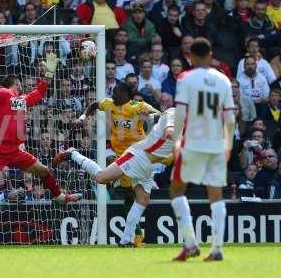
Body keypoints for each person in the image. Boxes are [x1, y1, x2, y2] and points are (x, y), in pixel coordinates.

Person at [0, 53, 81, 209]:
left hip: (15, 151)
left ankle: (59, 197)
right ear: (15, 83)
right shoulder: (4, 93)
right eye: (20, 84)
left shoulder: (20, 101)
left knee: (44, 170)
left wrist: (50, 72)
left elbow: (39, 92)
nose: (22, 87)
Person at [54, 108, 175, 246]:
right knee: (101, 178)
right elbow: (169, 132)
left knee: (143, 199)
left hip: (148, 164)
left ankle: (125, 241)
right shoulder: (176, 114)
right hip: (138, 156)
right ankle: (72, 153)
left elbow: (156, 118)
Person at [170, 38, 235, 261]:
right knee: (216, 196)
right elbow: (230, 118)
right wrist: (228, 146)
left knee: (177, 190)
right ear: (210, 54)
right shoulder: (224, 80)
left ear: (192, 57)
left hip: (193, 143)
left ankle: (190, 244)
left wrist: (177, 140)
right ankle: (216, 249)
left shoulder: (186, 78)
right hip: (217, 143)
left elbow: (180, 113)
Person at [73, 82, 160, 247]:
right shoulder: (109, 104)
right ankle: (134, 237)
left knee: (135, 194)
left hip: (137, 156)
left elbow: (159, 114)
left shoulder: (137, 106)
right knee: (129, 195)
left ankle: (134, 237)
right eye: (112, 91)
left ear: (127, 94)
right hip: (122, 156)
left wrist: (148, 118)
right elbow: (93, 105)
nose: (113, 95)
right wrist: (82, 117)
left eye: (117, 92)